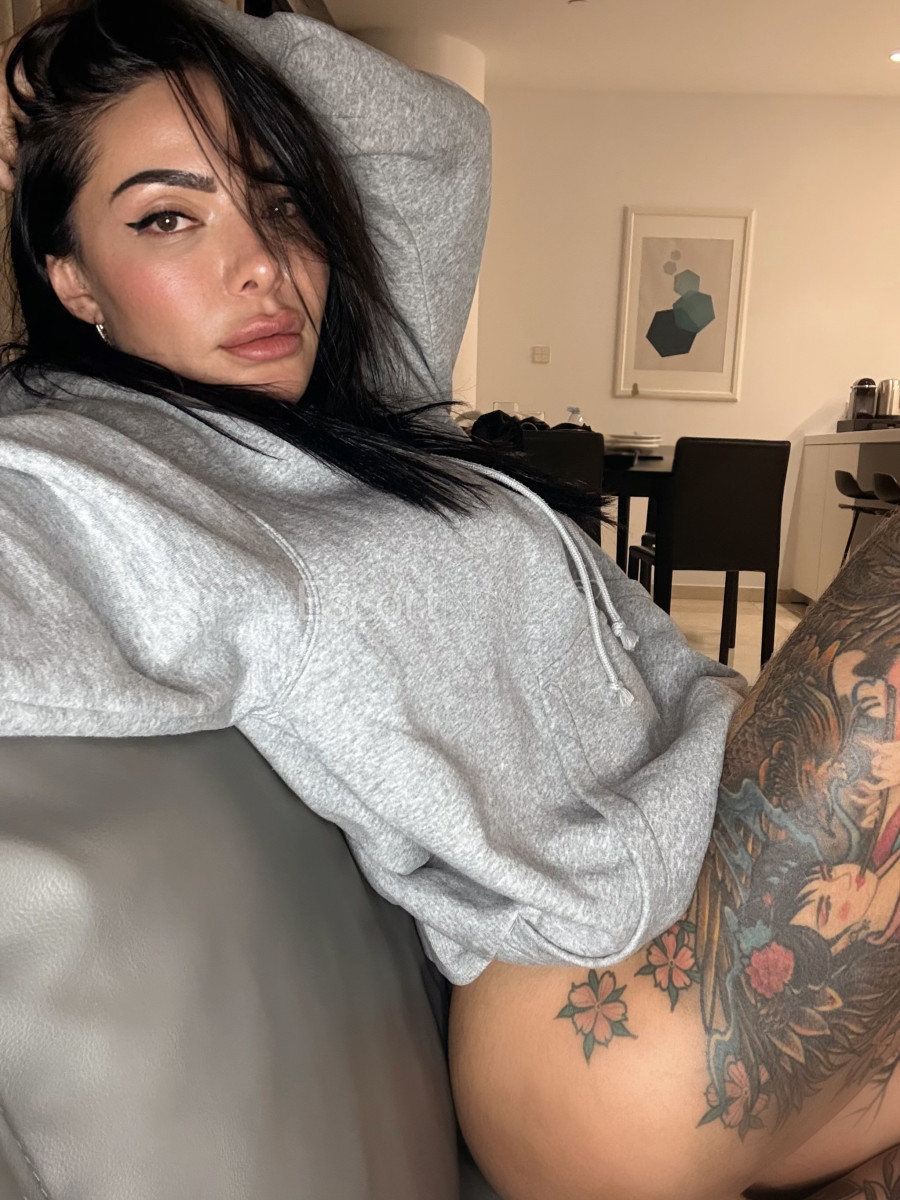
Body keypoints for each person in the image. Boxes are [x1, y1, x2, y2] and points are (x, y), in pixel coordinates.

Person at [0, 2, 897, 1198]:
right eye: (169, 217)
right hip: (606, 1015)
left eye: (280, 204)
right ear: (71, 276)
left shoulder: (347, 406)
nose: (262, 264)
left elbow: (433, 145)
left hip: (715, 885)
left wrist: (171, 30)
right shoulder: (73, 471)